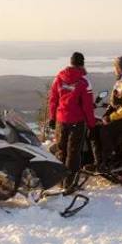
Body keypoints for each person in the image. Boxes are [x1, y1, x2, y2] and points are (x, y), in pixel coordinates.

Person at [48, 52, 96, 190]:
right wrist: (92, 125)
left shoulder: (59, 78)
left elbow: (53, 99)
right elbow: (88, 107)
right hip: (77, 122)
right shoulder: (84, 81)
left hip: (61, 120)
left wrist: (52, 117)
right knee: (73, 153)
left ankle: (59, 182)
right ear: (82, 63)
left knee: (61, 151)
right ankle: (69, 184)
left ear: (71, 62)